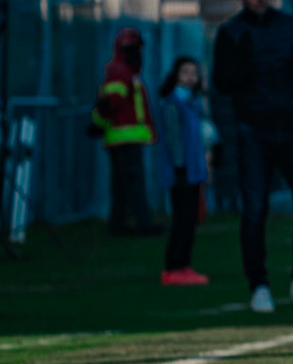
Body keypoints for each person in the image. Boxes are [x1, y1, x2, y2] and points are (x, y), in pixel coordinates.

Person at [211, 0, 293, 313]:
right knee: (255, 209)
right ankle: (259, 284)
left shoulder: (289, 25)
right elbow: (222, 83)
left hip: (292, 126)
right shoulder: (230, 32)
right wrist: (239, 70)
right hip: (255, 130)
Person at [153, 56, 217, 285]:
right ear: (176, 76)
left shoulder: (195, 103)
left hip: (194, 171)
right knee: (182, 220)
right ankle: (173, 268)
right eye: (185, 72)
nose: (191, 76)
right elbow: (173, 139)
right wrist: (180, 167)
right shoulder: (173, 103)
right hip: (182, 172)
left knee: (190, 221)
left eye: (194, 72)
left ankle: (184, 266)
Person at [89, 26, 158, 235]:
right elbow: (109, 102)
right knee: (132, 182)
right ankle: (142, 223)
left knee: (120, 183)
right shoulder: (121, 71)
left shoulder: (125, 71)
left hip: (123, 136)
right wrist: (98, 123)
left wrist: (98, 124)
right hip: (125, 136)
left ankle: (118, 224)